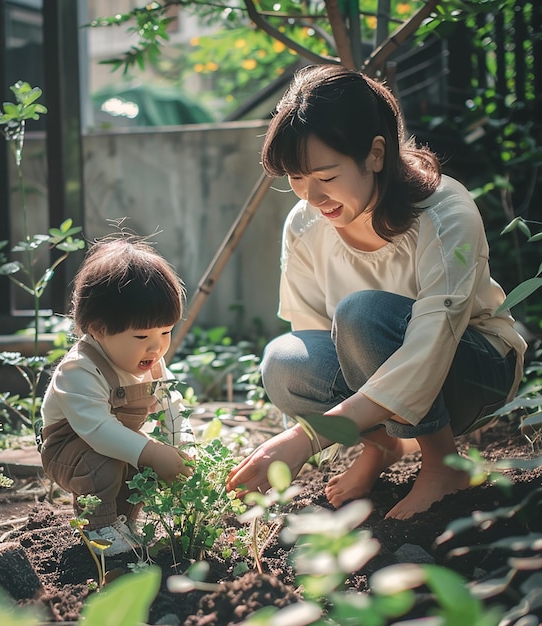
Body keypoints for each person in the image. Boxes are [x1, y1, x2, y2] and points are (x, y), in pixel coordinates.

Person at [226, 64, 527, 520]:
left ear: (376, 154)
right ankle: (381, 447)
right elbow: (314, 339)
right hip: (384, 376)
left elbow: (432, 344)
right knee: (285, 361)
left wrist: (308, 438)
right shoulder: (306, 224)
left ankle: (443, 463)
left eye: (326, 177)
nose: (312, 196)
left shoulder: (443, 213)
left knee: (362, 315)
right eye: (296, 179)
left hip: (474, 370)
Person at [40, 234, 193, 555]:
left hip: (117, 441)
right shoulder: (79, 369)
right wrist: (152, 452)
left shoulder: (152, 362)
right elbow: (97, 431)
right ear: (97, 329)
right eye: (141, 335)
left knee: (139, 464)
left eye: (165, 332)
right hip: (70, 450)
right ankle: (99, 529)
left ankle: (124, 521)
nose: (156, 346)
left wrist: (182, 447)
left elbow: (171, 404)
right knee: (105, 465)